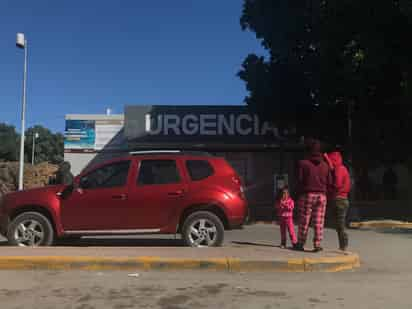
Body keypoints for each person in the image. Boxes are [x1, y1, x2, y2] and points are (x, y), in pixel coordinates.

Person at [294, 139, 332, 252]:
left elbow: (299, 180)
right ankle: (317, 244)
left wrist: (296, 194)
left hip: (307, 194)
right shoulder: (325, 165)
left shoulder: (303, 163)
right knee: (319, 221)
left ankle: (301, 243)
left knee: (304, 220)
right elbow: (329, 182)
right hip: (322, 195)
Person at [326, 151, 351, 251]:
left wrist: (329, 187)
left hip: (339, 199)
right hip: (342, 199)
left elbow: (337, 184)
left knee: (340, 224)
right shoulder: (342, 168)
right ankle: (342, 245)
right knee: (338, 224)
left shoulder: (338, 169)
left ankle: (344, 245)